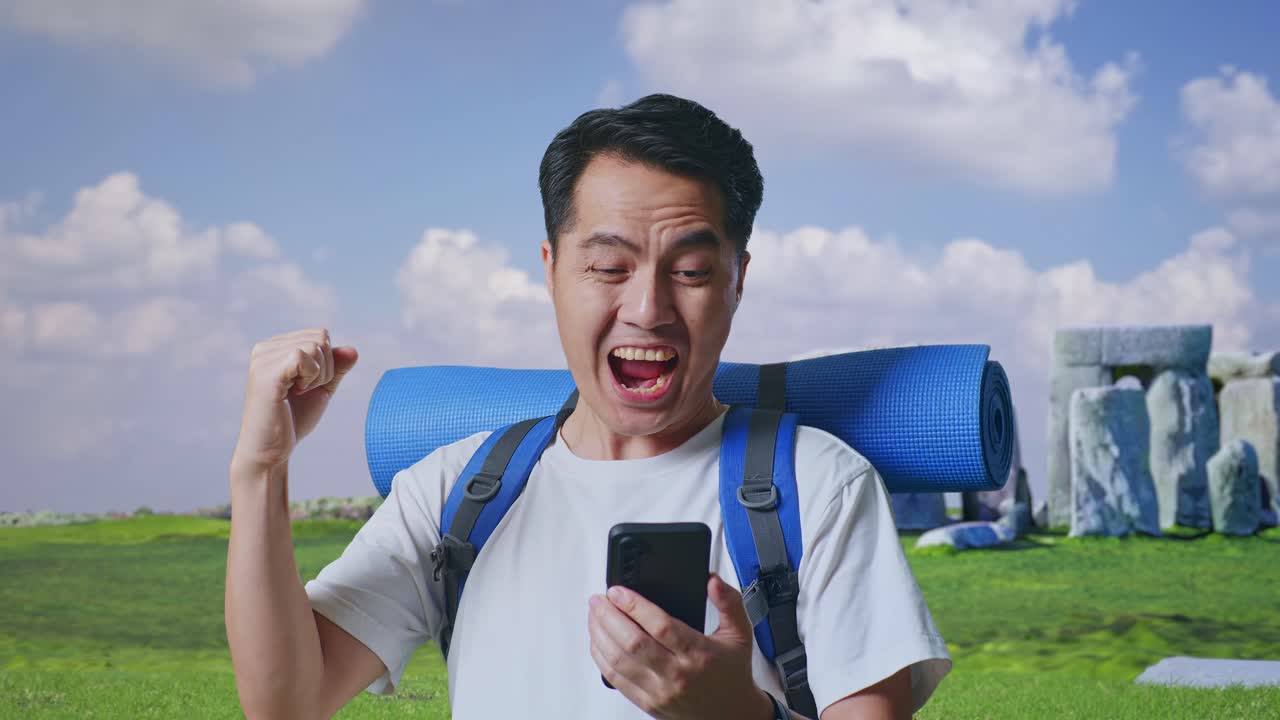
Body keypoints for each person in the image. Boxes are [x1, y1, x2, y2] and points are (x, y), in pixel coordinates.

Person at [226, 93, 951, 719]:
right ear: (551, 271)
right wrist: (261, 471)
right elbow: (284, 702)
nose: (648, 308)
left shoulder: (819, 485)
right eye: (608, 267)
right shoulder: (457, 493)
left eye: (692, 271)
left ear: (738, 279)